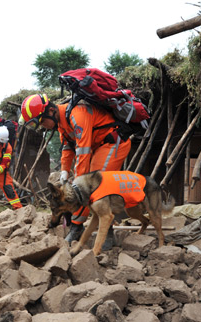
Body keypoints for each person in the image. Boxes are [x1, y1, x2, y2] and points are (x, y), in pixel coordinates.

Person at [20, 93, 132, 249]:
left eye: (42, 122)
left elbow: (83, 152)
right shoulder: (61, 123)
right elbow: (67, 148)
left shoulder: (77, 115)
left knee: (94, 186)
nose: (43, 126)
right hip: (97, 147)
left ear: (51, 111)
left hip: (113, 143)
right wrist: (64, 173)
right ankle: (77, 226)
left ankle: (107, 233)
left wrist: (77, 183)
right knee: (83, 188)